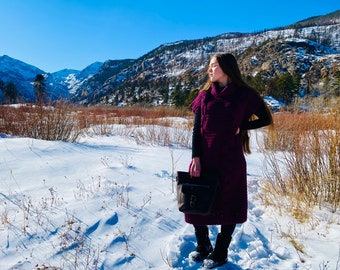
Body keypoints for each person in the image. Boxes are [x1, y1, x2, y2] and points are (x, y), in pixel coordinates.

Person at [187, 53, 273, 269]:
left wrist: (242, 126)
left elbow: (265, 118)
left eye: (214, 65)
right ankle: (203, 245)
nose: (210, 69)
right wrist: (195, 157)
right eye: (209, 66)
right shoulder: (204, 96)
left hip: (230, 160)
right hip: (205, 159)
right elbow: (196, 131)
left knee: (229, 204)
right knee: (197, 202)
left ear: (226, 68)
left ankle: (220, 252)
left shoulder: (244, 95)